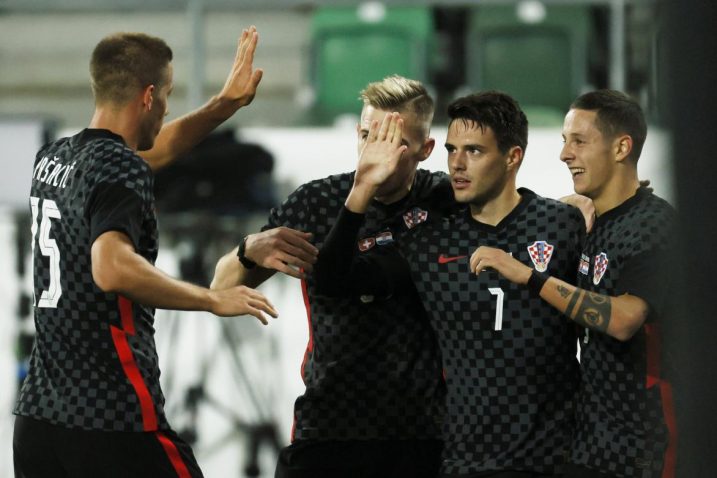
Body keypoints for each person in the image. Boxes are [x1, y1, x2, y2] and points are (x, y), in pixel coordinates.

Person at [13, 28, 277, 478]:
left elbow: (154, 151)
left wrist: (225, 104)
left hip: (39, 421)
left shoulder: (52, 158)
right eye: (169, 94)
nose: (169, 106)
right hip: (111, 416)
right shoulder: (121, 168)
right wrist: (210, 299)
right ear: (149, 95)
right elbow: (111, 268)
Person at [314, 91, 587, 477]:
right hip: (466, 461)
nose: (457, 164)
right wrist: (362, 189)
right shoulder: (428, 241)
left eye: (474, 151)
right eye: (452, 150)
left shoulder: (561, 223)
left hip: (557, 458)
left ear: (513, 157)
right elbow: (332, 281)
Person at [211, 75, 455, 478]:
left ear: (425, 150)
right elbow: (220, 288)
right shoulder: (317, 201)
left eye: (392, 142)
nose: (372, 153)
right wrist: (247, 249)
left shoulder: (445, 200)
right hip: (329, 423)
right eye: (365, 135)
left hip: (421, 431)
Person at [470, 90, 678, 478]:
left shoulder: (654, 225)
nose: (565, 154)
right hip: (590, 442)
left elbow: (623, 320)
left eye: (579, 142)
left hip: (644, 445)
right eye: (565, 141)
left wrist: (529, 276)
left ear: (621, 148)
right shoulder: (594, 219)